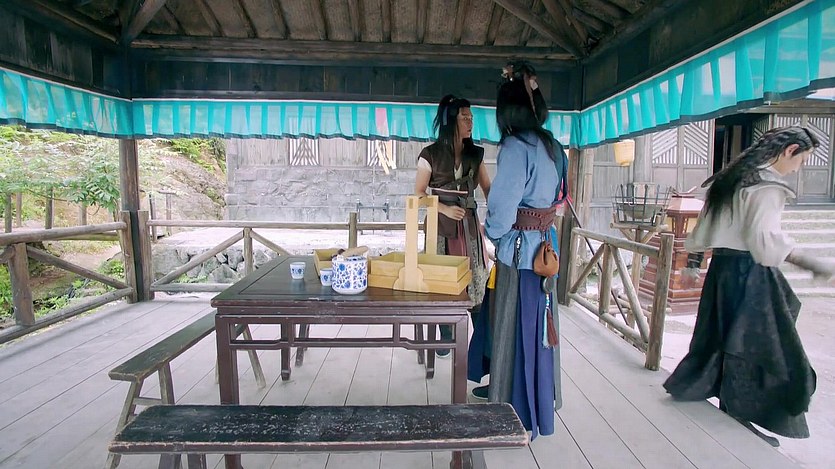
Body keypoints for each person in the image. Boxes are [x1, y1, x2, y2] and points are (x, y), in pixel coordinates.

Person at [664, 126, 834, 447]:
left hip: (722, 271)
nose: (798, 169)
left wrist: (693, 264)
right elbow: (764, 241)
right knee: (764, 349)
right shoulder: (767, 187)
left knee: (723, 338)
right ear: (790, 150)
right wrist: (813, 264)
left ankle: (731, 410)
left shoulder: (731, 179)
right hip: (750, 275)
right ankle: (738, 417)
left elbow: (706, 226)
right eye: (801, 160)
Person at [467, 61, 567, 439]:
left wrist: (490, 232)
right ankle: (531, 401)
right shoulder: (553, 146)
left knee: (513, 329)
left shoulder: (515, 147)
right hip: (546, 249)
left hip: (520, 253)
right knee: (538, 331)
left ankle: (511, 409)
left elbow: (503, 210)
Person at [415, 94, 492, 356]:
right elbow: (419, 195)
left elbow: (488, 189)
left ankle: (481, 344)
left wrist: (498, 218)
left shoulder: (475, 154)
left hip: (468, 226)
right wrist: (445, 208)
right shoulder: (430, 154)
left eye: (471, 118)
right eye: (464, 117)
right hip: (440, 227)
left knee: (476, 279)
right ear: (451, 120)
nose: (470, 122)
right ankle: (445, 335)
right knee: (442, 280)